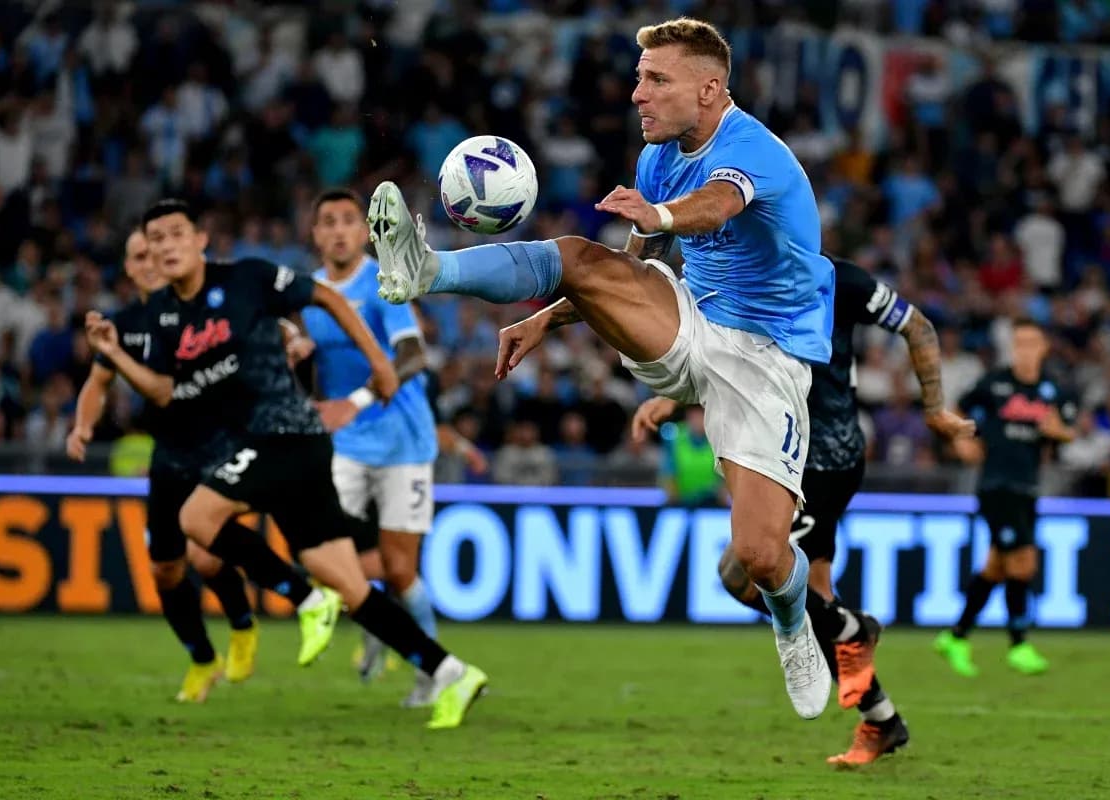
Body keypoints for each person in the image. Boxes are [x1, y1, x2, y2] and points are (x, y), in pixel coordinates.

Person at [370, 18, 834, 719]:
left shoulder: (754, 152)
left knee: (761, 557)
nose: (636, 94)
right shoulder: (656, 160)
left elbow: (717, 207)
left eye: (656, 80)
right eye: (639, 77)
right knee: (582, 257)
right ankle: (426, 267)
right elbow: (630, 271)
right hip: (688, 322)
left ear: (709, 90)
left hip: (766, 358)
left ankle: (794, 620)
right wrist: (546, 314)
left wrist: (664, 214)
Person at [86, 199, 487, 729]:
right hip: (284, 446)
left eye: (176, 234)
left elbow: (324, 297)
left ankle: (302, 600)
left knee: (195, 520)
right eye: (154, 239)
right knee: (352, 587)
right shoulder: (167, 320)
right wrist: (114, 357)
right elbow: (161, 391)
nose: (165, 246)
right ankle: (450, 671)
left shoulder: (248, 278)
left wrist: (378, 366)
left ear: (201, 239)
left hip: (286, 435)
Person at [632, 256, 975, 764]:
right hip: (792, 453)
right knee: (813, 599)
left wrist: (934, 409)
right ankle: (880, 719)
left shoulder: (839, 277)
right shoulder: (740, 271)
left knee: (742, 571)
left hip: (822, 459)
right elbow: (725, 355)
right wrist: (675, 397)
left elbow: (918, 325)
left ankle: (852, 629)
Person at [67, 229, 257, 703]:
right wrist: (82, 425)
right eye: (138, 255)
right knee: (165, 573)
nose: (150, 259)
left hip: (221, 445)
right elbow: (98, 381)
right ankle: (201, 658)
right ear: (129, 269)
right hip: (169, 454)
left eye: (155, 250)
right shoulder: (125, 325)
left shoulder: (206, 307)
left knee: (207, 554)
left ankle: (242, 625)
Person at [300, 187, 443, 708]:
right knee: (320, 552)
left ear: (364, 232)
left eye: (347, 221)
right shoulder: (308, 292)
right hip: (346, 443)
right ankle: (377, 621)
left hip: (404, 439)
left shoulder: (384, 282)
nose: (338, 230)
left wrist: (354, 401)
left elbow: (412, 358)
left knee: (400, 570)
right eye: (327, 221)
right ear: (315, 235)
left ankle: (429, 668)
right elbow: (307, 366)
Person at [936, 318, 1076, 678]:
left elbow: (1068, 433)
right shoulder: (994, 383)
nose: (1025, 349)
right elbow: (959, 407)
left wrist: (1056, 431)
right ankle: (1018, 644)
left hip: (1028, 486)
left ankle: (957, 635)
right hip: (996, 485)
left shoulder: (1053, 390)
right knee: (1023, 563)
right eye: (1020, 343)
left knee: (996, 566)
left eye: (1032, 342)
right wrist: (962, 439)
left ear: (1044, 348)